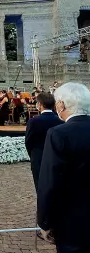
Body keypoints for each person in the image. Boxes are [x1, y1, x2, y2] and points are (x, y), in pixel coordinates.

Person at [37, 82, 90, 252]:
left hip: (72, 221)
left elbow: (49, 181)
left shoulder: (59, 133)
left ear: (60, 105)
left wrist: (45, 221)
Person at [24, 92, 63, 192]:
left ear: (40, 105)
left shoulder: (33, 121)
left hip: (38, 157)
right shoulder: (60, 121)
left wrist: (33, 155)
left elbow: (28, 142)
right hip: (56, 157)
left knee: (39, 186)